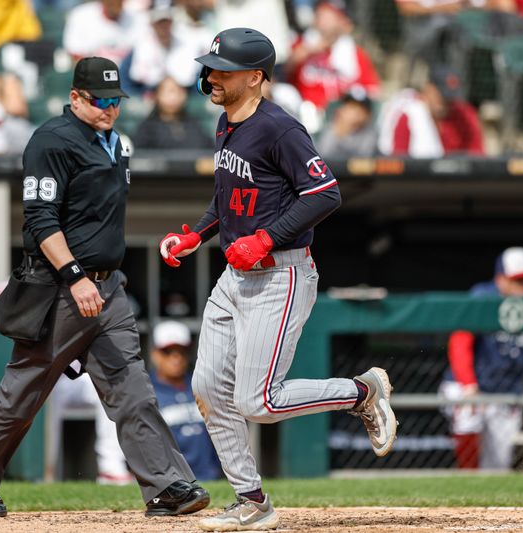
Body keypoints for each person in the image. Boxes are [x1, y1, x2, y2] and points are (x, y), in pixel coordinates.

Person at [0, 56, 210, 519]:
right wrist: (75, 276)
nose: (109, 108)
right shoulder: (51, 141)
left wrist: (98, 281)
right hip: (62, 287)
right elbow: (41, 219)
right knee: (24, 388)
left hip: (110, 288)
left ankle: (167, 485)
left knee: (133, 389)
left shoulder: (115, 143)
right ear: (75, 98)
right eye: (100, 100)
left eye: (115, 100)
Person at [159, 28, 397, 531]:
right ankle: (252, 501)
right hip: (234, 277)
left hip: (279, 275)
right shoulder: (227, 122)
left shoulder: (280, 128)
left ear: (255, 77)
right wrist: (196, 235)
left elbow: (325, 194)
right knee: (207, 387)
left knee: (257, 401)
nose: (212, 76)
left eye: (223, 69)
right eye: (211, 66)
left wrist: (266, 238)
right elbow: (229, 196)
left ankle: (362, 392)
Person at [439, 247, 523, 470]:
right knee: (467, 416)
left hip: (506, 394)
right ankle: (467, 479)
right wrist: (469, 385)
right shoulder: (484, 298)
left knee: (496, 468)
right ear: (501, 279)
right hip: (467, 386)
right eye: (519, 280)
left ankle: (480, 498)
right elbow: (460, 342)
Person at [149, 321, 222, 482]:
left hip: (209, 477)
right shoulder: (146, 390)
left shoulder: (201, 385)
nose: (176, 358)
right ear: (155, 354)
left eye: (182, 351)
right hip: (169, 481)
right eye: (168, 352)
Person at [287, 0, 380, 110]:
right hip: (304, 111)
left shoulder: (354, 53)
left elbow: (373, 90)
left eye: (331, 16)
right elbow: (284, 71)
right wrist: (309, 51)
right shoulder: (301, 45)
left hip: (340, 115)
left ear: (344, 22)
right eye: (321, 15)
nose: (324, 21)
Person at [377, 65, 484, 158]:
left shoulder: (465, 115)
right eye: (441, 95)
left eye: (450, 97)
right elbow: (398, 163)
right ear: (428, 88)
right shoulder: (408, 114)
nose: (445, 102)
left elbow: (476, 158)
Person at [48, 371, 134, 485]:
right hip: (56, 379)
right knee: (46, 403)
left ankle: (110, 468)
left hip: (86, 376)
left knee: (112, 386)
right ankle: (45, 471)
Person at [121, 6, 202, 95]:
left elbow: (194, 79)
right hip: (149, 95)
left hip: (182, 96)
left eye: (166, 23)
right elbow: (130, 81)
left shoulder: (186, 44)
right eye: (159, 23)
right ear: (152, 25)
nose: (163, 27)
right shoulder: (140, 46)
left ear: (172, 23)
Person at [132, 76, 211, 150]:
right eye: (169, 91)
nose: (174, 97)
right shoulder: (147, 128)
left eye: (179, 91)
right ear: (157, 95)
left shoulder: (194, 125)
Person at [63, 0, 148, 64]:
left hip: (130, 80)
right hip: (94, 79)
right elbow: (76, 56)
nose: (115, 2)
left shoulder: (139, 17)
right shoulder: (80, 16)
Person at [316, 85, 377, 159]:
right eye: (347, 106)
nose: (348, 110)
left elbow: (363, 160)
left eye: (355, 107)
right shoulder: (333, 128)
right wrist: (338, 133)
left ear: (366, 114)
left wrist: (343, 134)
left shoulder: (370, 133)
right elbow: (323, 156)